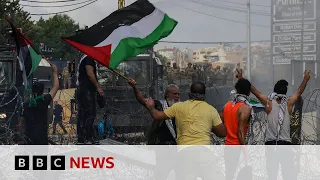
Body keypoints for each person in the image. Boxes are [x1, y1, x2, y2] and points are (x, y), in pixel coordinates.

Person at [236, 69, 311, 180]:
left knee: (272, 175)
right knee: (287, 174)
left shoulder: (268, 102)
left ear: (275, 91)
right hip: (285, 144)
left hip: (271, 144)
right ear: (285, 91)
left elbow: (255, 91)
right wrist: (305, 79)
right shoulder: (289, 103)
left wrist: (241, 79)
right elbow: (299, 92)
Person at [144, 82, 226, 179]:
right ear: (204, 95)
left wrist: (151, 108)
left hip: (184, 154)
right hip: (204, 153)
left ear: (190, 93)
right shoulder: (211, 110)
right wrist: (209, 125)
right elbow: (222, 133)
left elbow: (157, 115)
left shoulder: (179, 107)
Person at [18, 64, 59, 145]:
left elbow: (20, 123)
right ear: (42, 91)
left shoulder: (25, 105)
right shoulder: (44, 101)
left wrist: (19, 137)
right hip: (42, 138)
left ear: (32, 91)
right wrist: (54, 72)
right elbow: (56, 87)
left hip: (28, 138)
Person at [128, 78, 178, 145]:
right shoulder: (159, 104)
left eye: (178, 94)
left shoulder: (180, 107)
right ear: (167, 94)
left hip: (176, 144)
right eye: (174, 94)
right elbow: (142, 100)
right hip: (161, 144)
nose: (177, 96)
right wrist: (135, 87)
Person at [221, 78, 252, 180]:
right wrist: (245, 151)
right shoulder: (245, 108)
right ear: (248, 92)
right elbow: (240, 132)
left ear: (237, 90)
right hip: (238, 148)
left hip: (228, 147)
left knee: (229, 176)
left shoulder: (227, 105)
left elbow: (221, 124)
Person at [76, 55, 104, 145]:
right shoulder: (89, 58)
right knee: (90, 113)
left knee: (83, 115)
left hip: (83, 90)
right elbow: (90, 73)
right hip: (86, 90)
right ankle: (88, 137)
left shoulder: (86, 58)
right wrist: (98, 87)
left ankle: (82, 138)